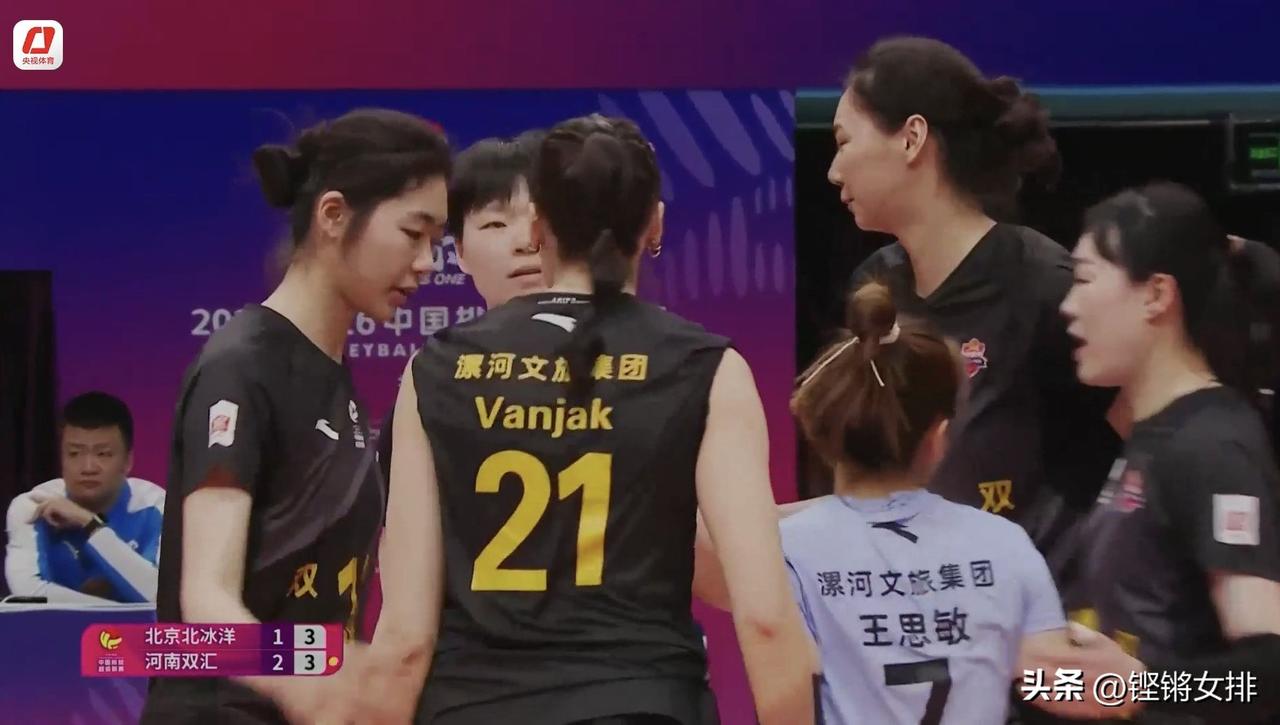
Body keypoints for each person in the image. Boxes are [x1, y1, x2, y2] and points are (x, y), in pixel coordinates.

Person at [369, 113, 817, 725]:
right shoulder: (706, 366)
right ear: (655, 222)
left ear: (538, 227)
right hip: (643, 705)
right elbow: (765, 618)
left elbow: (404, 638)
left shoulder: (434, 369)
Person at [140, 108, 451, 725]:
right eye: (413, 233)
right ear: (333, 215)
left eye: (436, 242)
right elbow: (206, 599)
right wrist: (306, 682)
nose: (427, 262)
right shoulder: (243, 366)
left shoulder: (333, 376)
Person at [825, 36, 1119, 602]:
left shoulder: (1045, 286)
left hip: (1033, 622)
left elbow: (1135, 449)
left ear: (911, 138)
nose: (835, 171)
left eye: (843, 142)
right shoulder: (873, 287)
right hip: (911, 612)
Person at [779, 280, 1141, 725]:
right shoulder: (1003, 542)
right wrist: (1135, 681)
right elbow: (1060, 683)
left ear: (822, 429)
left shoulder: (784, 548)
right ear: (938, 436)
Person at [1061, 182, 1280, 723]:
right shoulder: (1152, 433)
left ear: (1157, 294)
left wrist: (1144, 688)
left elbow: (1267, 678)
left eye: (1084, 279)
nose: (1067, 306)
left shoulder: (1213, 445)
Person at [375, 130, 547, 486]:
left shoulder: (637, 359)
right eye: (496, 223)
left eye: (541, 220)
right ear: (460, 253)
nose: (525, 242)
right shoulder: (435, 375)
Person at [4, 391, 163, 603]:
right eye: (74, 453)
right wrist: (119, 613)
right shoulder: (32, 506)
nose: (88, 468)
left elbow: (159, 595)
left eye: (103, 454)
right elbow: (28, 594)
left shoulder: (156, 507)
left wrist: (90, 524)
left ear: (128, 461)